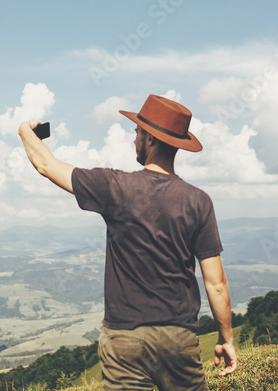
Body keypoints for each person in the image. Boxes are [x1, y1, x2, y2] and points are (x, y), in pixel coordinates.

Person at [18, 94, 237, 390]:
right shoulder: (199, 201)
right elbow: (216, 283)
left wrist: (24, 131)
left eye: (136, 132)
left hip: (125, 340)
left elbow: (46, 165)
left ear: (150, 138)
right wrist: (226, 338)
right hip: (179, 338)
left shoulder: (115, 188)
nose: (134, 139)